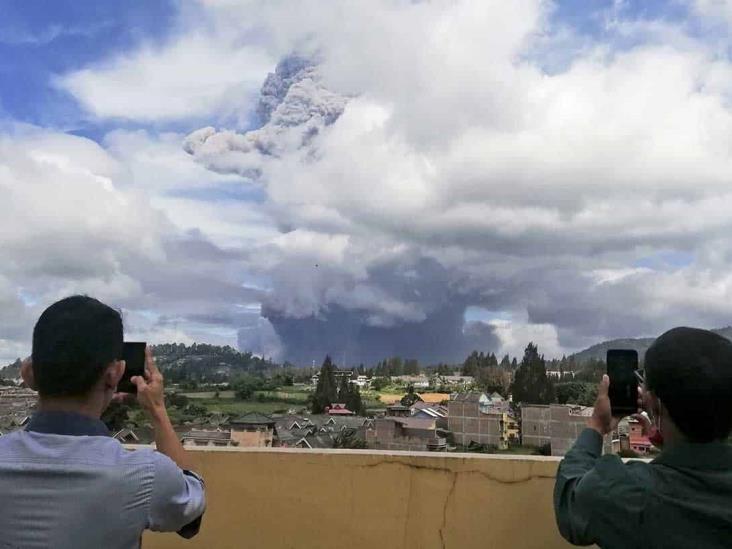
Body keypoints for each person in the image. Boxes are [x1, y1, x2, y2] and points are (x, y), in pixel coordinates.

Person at [0, 296, 206, 549]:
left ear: (27, 373)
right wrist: (157, 409)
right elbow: (191, 510)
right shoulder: (145, 474)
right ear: (114, 374)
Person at [554, 326, 732, 548]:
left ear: (656, 404)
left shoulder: (630, 493)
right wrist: (657, 436)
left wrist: (596, 425)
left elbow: (571, 499)